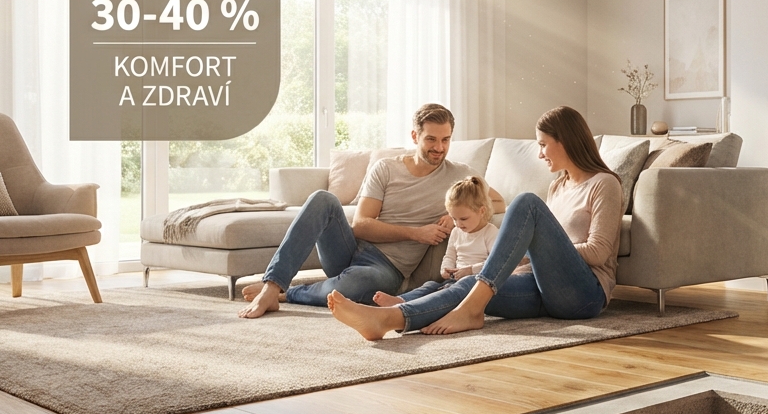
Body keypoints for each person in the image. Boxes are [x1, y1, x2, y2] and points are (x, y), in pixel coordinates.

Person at [327, 105, 622, 340]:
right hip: (544, 288)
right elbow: (533, 256)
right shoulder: (558, 186)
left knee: (525, 202)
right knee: (468, 284)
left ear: (566, 141)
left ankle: (467, 309)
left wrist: (539, 252)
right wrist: (502, 266)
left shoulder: (603, 184)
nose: (540, 153)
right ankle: (388, 318)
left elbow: (598, 252)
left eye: (544, 144)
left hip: (583, 294)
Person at [238, 103, 503, 318]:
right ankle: (272, 285)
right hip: (352, 250)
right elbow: (362, 224)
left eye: (446, 140)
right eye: (431, 139)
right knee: (322, 199)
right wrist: (416, 234)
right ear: (415, 136)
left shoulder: (460, 174)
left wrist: (455, 218)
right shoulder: (387, 169)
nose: (439, 148)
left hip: (389, 269)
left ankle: (289, 293)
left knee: (356, 286)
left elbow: (498, 203)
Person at [372, 176, 498, 307]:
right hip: (455, 280)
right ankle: (401, 300)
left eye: (464, 219)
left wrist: (470, 270)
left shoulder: (489, 232)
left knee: (445, 293)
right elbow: (450, 255)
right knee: (430, 285)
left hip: (476, 283)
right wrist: (445, 269)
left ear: (481, 211)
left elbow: (496, 264)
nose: (458, 224)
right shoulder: (456, 232)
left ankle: (411, 307)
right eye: (454, 218)